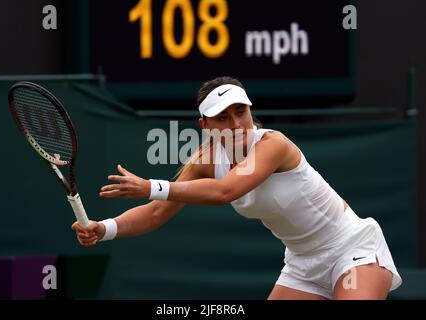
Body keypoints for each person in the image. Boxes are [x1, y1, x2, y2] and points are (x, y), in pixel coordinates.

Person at [72, 76, 402, 300]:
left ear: (250, 111)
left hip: (353, 250)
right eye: (222, 118)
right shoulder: (204, 159)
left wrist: (152, 186)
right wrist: (104, 228)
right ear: (204, 125)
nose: (236, 125)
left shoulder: (274, 144)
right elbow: (156, 213)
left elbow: (224, 192)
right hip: (303, 264)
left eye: (240, 112)